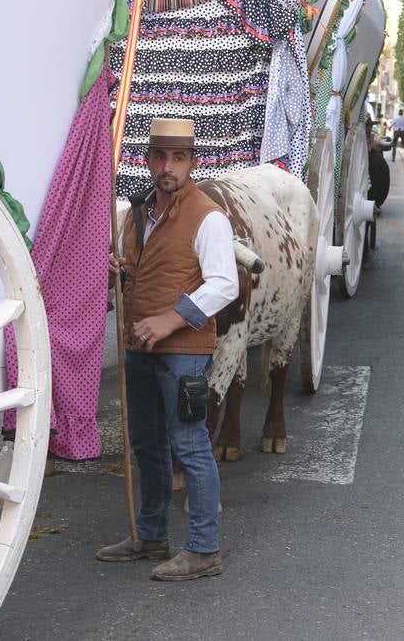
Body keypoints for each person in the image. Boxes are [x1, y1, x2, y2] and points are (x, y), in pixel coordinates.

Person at [97, 117, 239, 581]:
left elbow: (224, 285)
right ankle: (152, 534)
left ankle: (203, 548)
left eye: (178, 158)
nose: (167, 167)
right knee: (146, 444)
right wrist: (121, 270)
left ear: (192, 162)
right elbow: (138, 274)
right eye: (160, 156)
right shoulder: (135, 215)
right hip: (140, 347)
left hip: (183, 352)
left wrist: (169, 319)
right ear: (148, 158)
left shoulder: (208, 216)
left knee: (190, 445)